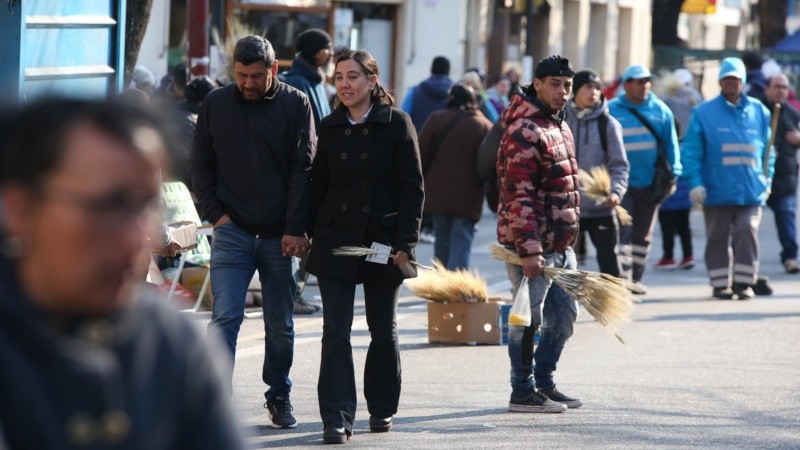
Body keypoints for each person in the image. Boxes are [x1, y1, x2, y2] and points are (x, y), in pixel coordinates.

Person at [0, 98, 243, 449]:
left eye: (145, 205)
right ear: (20, 209)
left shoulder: (169, 340)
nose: (136, 236)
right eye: (109, 205)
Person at [189, 35, 315, 428]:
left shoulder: (296, 103)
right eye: (241, 75)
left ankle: (279, 394)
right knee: (225, 317)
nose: (247, 83)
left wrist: (296, 227)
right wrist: (215, 214)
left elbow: (304, 169)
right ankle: (215, 404)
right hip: (232, 230)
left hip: (281, 235)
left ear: (273, 70)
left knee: (280, 322)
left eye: (256, 76)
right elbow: (199, 164)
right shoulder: (216, 103)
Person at [306, 49, 423, 444]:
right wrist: (301, 231)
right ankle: (336, 417)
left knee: (381, 329)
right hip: (336, 239)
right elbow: (316, 187)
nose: (345, 84)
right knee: (335, 331)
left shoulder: (398, 124)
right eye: (339, 77)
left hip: (383, 243)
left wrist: (406, 241)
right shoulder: (329, 126)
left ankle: (382, 407)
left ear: (372, 81)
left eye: (353, 76)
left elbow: (413, 190)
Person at [497, 55, 581, 413]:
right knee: (525, 320)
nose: (562, 92)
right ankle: (522, 391)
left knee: (564, 318)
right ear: (537, 84)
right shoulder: (524, 129)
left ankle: (545, 383)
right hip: (532, 248)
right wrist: (530, 248)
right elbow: (519, 194)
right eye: (555, 85)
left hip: (560, 245)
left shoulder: (559, 125)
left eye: (567, 86)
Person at [682, 57, 774, 299]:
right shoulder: (703, 112)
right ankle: (720, 282)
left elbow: (768, 151)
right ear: (720, 81)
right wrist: (695, 183)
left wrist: (767, 180)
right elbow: (691, 151)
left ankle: (744, 282)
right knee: (717, 236)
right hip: (715, 188)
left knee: (746, 229)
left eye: (735, 78)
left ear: (742, 81)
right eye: (726, 78)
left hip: (750, 189)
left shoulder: (759, 111)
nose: (731, 82)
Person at [608, 64, 681, 293]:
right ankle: (623, 277)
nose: (644, 86)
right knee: (622, 232)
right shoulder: (611, 110)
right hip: (621, 184)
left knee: (642, 234)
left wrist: (675, 174)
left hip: (651, 183)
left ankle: (636, 278)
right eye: (639, 82)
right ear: (627, 84)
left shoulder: (660, 110)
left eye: (647, 81)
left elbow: (672, 144)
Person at [281, 28, 335, 315]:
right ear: (316, 51)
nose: (331, 53)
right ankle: (292, 294)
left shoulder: (314, 79)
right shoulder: (299, 82)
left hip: (318, 167)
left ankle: (295, 292)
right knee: (300, 235)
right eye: (328, 48)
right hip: (305, 169)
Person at [419, 83, 492, 270]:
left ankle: (442, 289)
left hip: (438, 192)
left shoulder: (436, 119)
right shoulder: (483, 125)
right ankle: (456, 291)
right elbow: (489, 162)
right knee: (462, 241)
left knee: (441, 242)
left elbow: (421, 154)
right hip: (469, 194)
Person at [565, 69, 629, 277]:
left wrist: (615, 192)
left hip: (601, 208)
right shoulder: (561, 120)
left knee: (609, 263)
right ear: (575, 91)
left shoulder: (608, 125)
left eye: (597, 88)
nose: (593, 92)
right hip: (567, 208)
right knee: (564, 265)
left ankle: (614, 305)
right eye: (587, 87)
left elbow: (619, 165)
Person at [402, 56, 452, 244]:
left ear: (431, 70)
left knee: (417, 183)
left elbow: (404, 113)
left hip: (418, 144)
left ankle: (419, 224)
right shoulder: (454, 92)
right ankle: (434, 225)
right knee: (439, 184)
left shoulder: (416, 90)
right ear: (448, 71)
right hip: (446, 148)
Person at [760, 73, 800, 274]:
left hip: (785, 177)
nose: (780, 91)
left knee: (786, 217)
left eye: (784, 87)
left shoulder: (793, 114)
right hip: (758, 176)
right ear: (767, 89)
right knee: (748, 221)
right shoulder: (756, 111)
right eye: (776, 86)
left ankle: (790, 257)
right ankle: (743, 259)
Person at [654, 179, 695, 270]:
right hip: (684, 201)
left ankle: (668, 257)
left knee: (667, 231)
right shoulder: (685, 165)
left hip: (666, 201)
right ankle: (688, 256)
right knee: (685, 230)